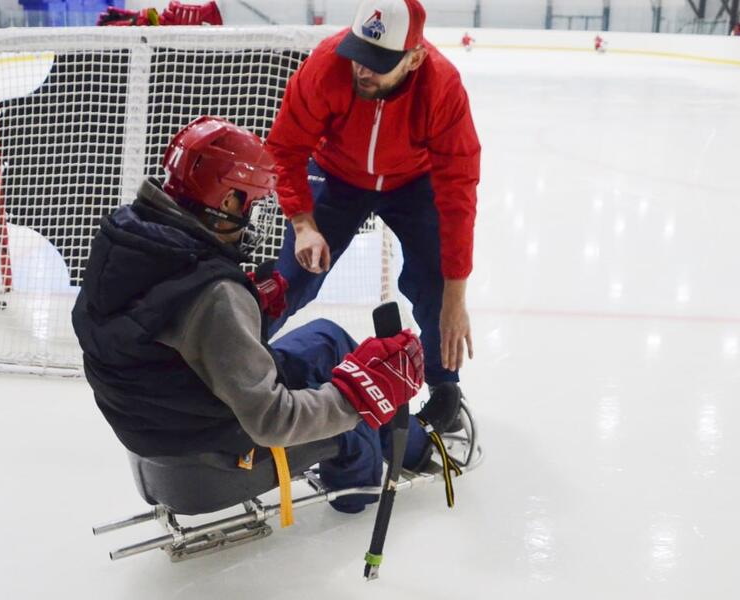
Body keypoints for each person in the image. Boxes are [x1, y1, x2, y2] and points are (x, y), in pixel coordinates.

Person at [71, 116, 461, 517]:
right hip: (207, 443)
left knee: (328, 339)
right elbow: (272, 421)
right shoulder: (215, 296)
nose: (251, 214)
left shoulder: (123, 239)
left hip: (159, 417)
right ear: (225, 201)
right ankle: (367, 484)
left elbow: (157, 322)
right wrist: (362, 395)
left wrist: (250, 305)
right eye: (249, 202)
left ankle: (408, 439)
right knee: (354, 413)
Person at [265, 0, 481, 419]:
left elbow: (458, 193)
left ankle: (443, 387)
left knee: (436, 288)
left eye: (377, 63)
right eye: (359, 54)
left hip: (412, 182)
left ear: (414, 58)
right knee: (291, 276)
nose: (362, 70)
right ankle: (237, 364)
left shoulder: (442, 87)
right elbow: (285, 148)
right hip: (337, 174)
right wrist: (303, 223)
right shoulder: (328, 65)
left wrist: (456, 296)